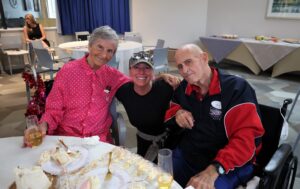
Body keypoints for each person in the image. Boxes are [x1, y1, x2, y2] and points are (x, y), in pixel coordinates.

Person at [164, 44, 265, 189]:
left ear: (204, 58)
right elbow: (171, 109)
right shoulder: (184, 88)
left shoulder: (236, 89)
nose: (184, 71)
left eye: (188, 62)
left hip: (229, 164)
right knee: (157, 179)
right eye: (180, 66)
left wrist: (214, 170)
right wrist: (178, 113)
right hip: (190, 155)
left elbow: (247, 141)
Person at [24, 26, 130, 145]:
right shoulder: (68, 71)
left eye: (110, 51)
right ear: (90, 46)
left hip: (98, 140)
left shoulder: (113, 75)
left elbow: (137, 85)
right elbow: (54, 107)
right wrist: (44, 125)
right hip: (67, 138)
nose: (104, 55)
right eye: (100, 47)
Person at [115, 51, 180, 160]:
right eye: (136, 67)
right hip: (143, 142)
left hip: (170, 144)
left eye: (147, 68)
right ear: (130, 71)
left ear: (153, 71)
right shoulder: (123, 91)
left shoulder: (166, 87)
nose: (141, 72)